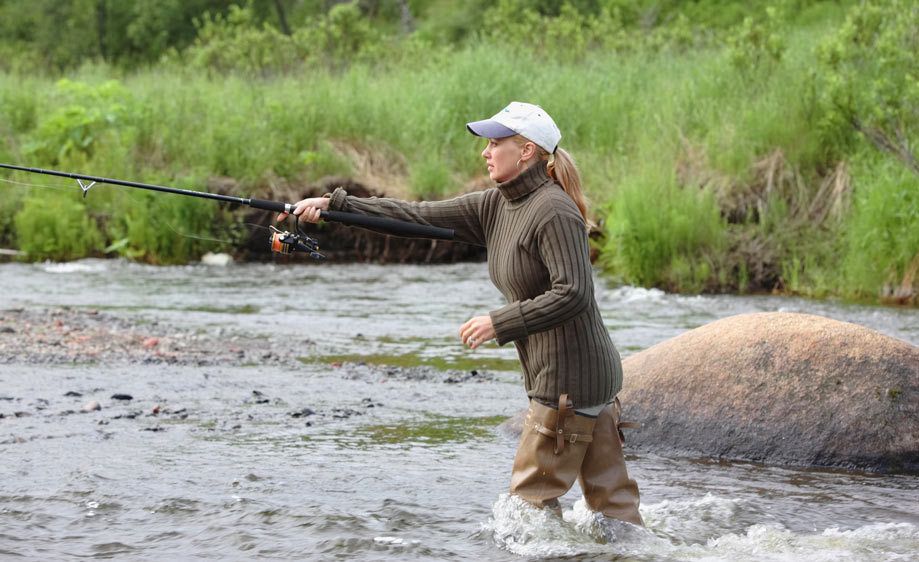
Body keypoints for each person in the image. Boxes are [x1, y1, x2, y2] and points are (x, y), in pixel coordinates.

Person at [278, 101, 643, 526]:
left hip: (568, 385)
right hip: (583, 380)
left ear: (526, 151)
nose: (485, 152)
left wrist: (499, 322)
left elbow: (574, 293)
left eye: (495, 143)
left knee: (526, 513)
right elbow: (415, 215)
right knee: (614, 511)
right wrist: (335, 205)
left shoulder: (553, 211)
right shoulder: (496, 205)